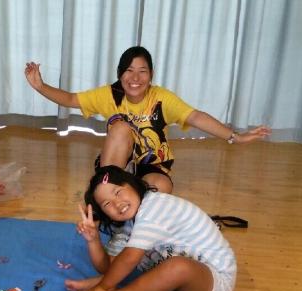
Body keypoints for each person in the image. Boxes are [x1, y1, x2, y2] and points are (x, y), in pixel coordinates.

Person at [25, 46, 271, 193]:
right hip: (118, 160)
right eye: (129, 71)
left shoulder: (161, 97)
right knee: (121, 127)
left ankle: (131, 202)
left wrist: (235, 137)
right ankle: (106, 191)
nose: (135, 78)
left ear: (151, 75)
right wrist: (40, 86)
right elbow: (70, 99)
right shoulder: (110, 94)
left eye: (142, 71)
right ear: (120, 74)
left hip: (151, 163)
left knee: (162, 187)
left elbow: (195, 116)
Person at [68, 165, 236, 291]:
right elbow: (109, 267)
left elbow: (129, 258)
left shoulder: (154, 207)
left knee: (177, 267)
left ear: (133, 184)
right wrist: (93, 240)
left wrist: (102, 288)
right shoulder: (126, 224)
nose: (117, 203)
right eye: (106, 204)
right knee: (119, 270)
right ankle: (105, 290)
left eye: (118, 192)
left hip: (216, 281)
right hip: (185, 279)